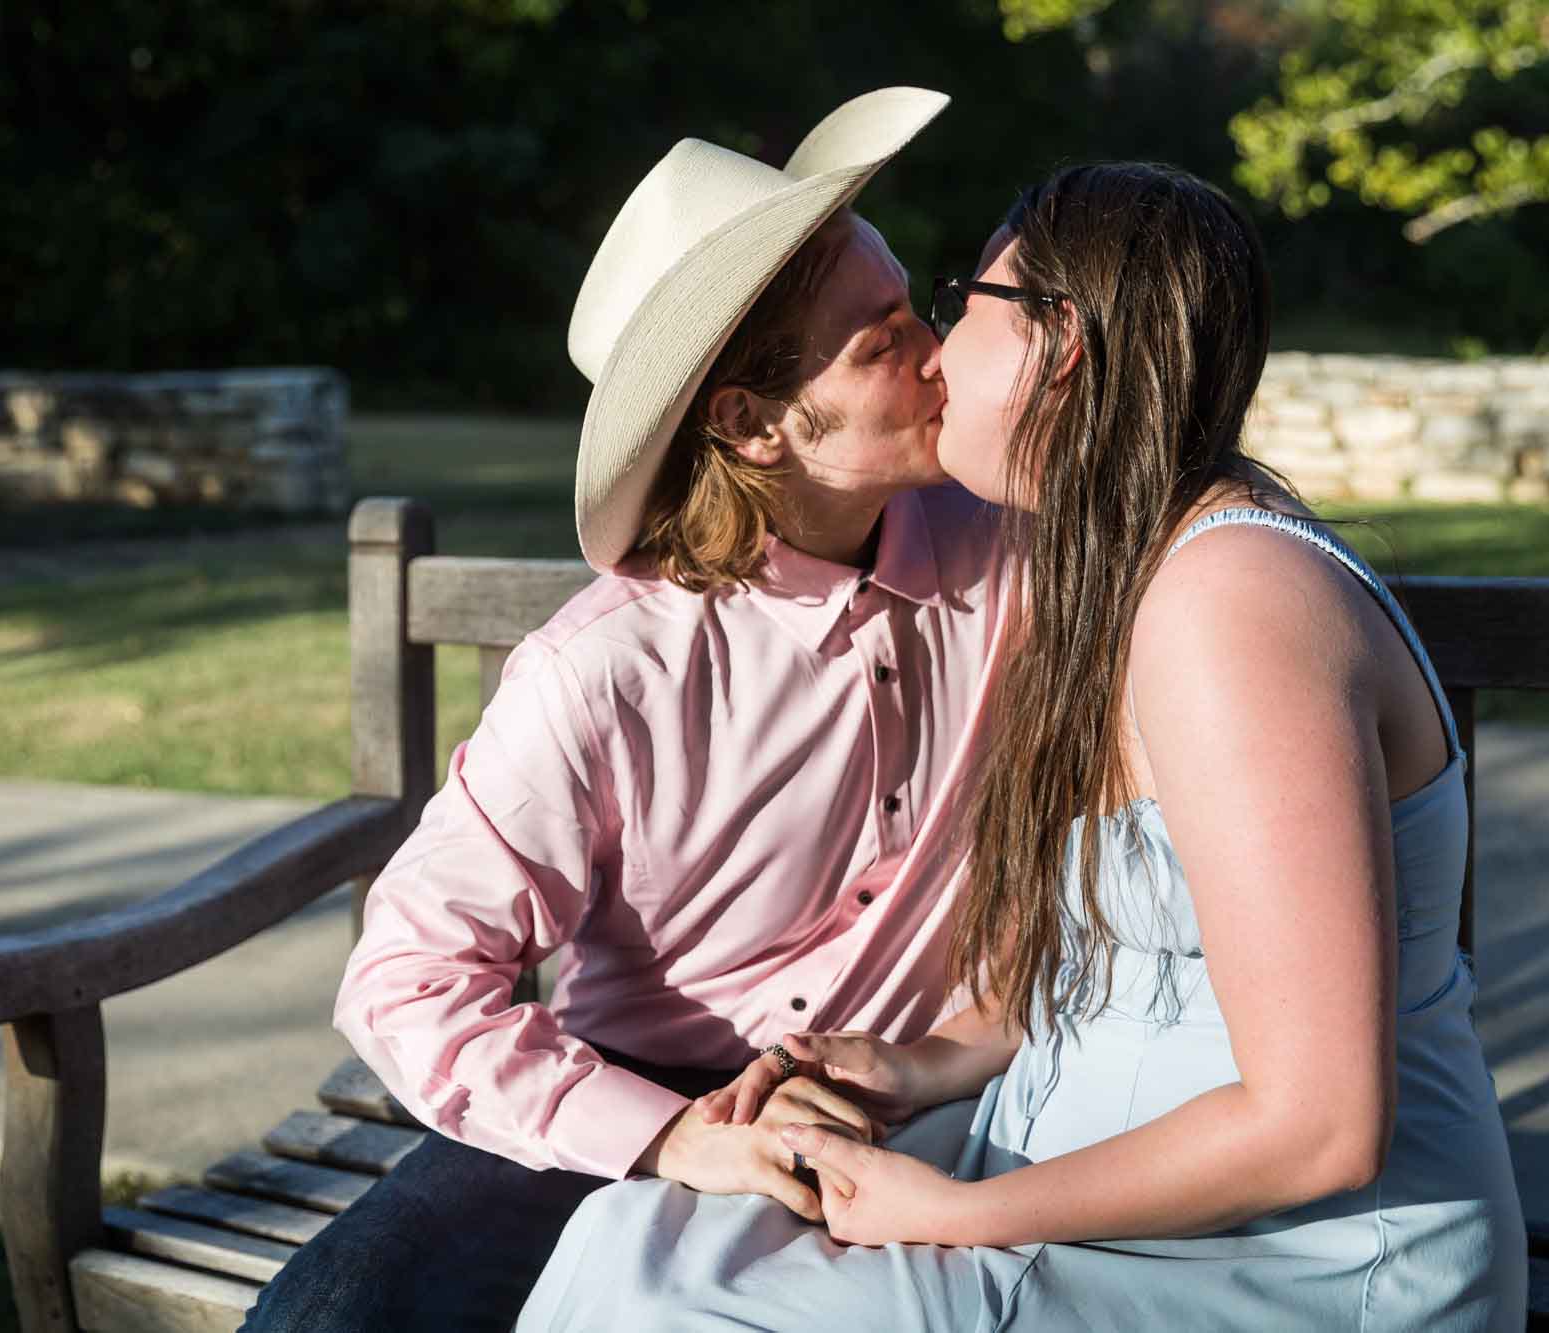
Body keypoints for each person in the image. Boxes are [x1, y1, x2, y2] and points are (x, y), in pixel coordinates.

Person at [518, 162, 1528, 1331]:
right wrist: (925, 1063)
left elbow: (1320, 1126)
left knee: (668, 1309)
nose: (935, 353)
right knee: (638, 1239)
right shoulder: (1104, 570)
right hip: (1079, 1185)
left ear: (1064, 345)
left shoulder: (1231, 609)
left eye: (958, 304)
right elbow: (1124, 964)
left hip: (1283, 1268)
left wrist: (938, 1213)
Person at [237, 86, 1015, 1333]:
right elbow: (404, 979)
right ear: (753, 425)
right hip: (642, 1091)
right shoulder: (602, 669)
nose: (937, 351)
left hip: (943, 1085)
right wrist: (672, 1139)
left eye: (912, 305)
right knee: (332, 1318)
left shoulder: (1021, 558)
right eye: (878, 342)